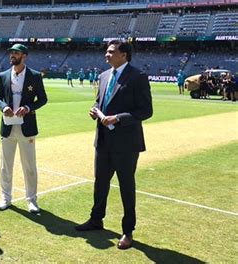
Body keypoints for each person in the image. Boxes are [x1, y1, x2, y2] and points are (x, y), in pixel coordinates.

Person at [75, 40, 153, 250]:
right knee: (100, 183)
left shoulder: (138, 77)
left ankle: (128, 231)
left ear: (124, 55)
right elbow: (99, 102)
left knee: (126, 187)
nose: (106, 55)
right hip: (103, 141)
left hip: (126, 144)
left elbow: (145, 111)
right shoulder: (103, 76)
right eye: (106, 51)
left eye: (111, 52)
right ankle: (96, 219)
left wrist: (118, 118)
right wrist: (94, 110)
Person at [0, 43, 48, 213]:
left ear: (24, 56)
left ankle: (31, 200)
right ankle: (5, 197)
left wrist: (28, 108)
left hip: (27, 127)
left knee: (29, 166)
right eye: (11, 53)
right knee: (5, 165)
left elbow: (43, 99)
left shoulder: (35, 76)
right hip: (8, 126)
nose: (12, 56)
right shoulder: (3, 75)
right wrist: (3, 107)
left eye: (16, 53)